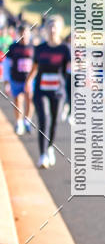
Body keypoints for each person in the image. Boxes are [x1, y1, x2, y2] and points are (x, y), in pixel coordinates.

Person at [25, 15, 71, 169]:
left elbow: (71, 68)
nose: (52, 30)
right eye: (50, 27)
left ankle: (50, 146)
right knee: (44, 120)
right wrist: (28, 81)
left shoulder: (65, 49)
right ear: (45, 29)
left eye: (55, 27)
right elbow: (34, 67)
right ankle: (43, 155)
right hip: (41, 90)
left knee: (54, 123)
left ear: (60, 29)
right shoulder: (40, 48)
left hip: (58, 91)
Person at [6, 22, 35, 134]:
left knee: (29, 99)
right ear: (19, 34)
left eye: (26, 33)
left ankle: (27, 121)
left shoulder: (33, 47)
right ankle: (19, 123)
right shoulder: (13, 47)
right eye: (22, 33)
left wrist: (33, 79)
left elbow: (36, 65)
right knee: (18, 100)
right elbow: (7, 64)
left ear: (29, 34)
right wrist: (7, 82)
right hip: (16, 79)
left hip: (29, 80)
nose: (24, 35)